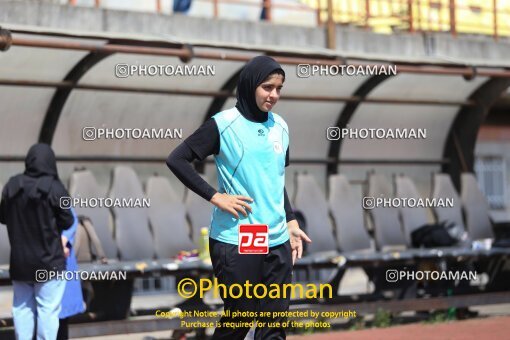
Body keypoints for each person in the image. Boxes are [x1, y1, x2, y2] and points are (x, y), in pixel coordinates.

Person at [167, 55, 311, 340]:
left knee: (274, 325)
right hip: (240, 237)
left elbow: (272, 181)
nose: (274, 95)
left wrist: (291, 222)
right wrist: (215, 196)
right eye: (267, 87)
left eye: (279, 88)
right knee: (240, 319)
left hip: (277, 237)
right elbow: (177, 159)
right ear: (250, 86)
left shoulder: (280, 126)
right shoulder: (223, 124)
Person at [0, 143, 74, 340]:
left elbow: (3, 217)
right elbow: (69, 220)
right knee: (48, 311)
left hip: (20, 264)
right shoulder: (56, 188)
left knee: (22, 309)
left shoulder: (11, 186)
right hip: (49, 264)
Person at [57, 207, 85, 340]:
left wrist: (64, 240)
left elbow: (71, 221)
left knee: (60, 317)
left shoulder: (56, 193)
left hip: (59, 260)